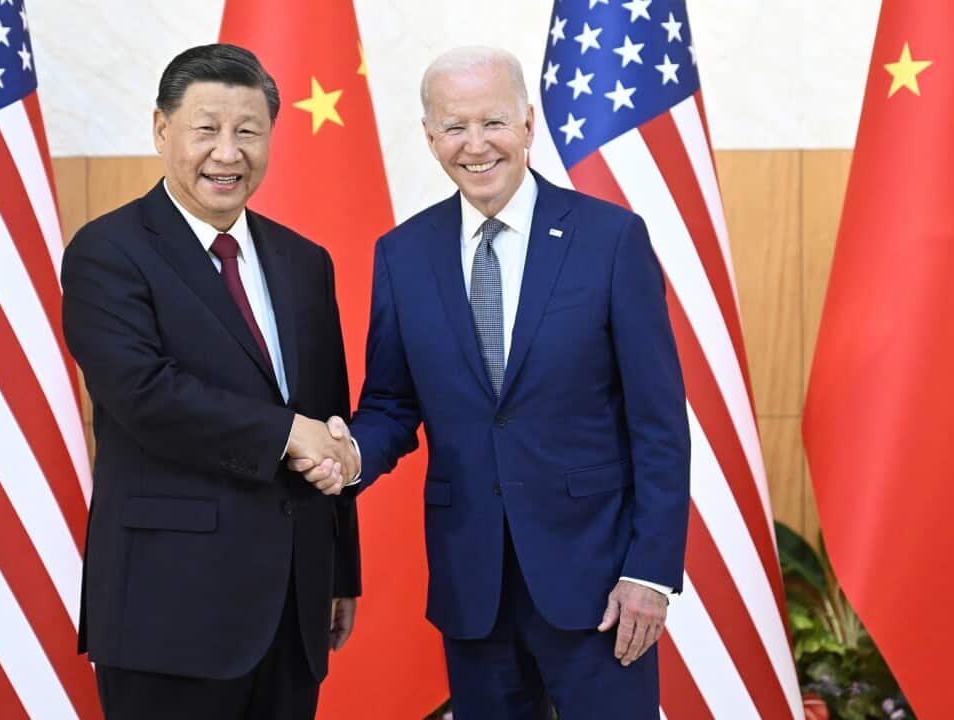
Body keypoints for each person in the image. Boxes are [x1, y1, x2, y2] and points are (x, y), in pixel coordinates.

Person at [296, 46, 690, 719]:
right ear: (430, 137)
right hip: (472, 585)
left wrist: (649, 572)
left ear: (528, 123)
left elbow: (658, 424)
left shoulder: (611, 239)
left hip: (599, 583)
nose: (475, 145)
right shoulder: (403, 254)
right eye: (454, 127)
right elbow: (392, 402)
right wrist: (353, 454)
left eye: (493, 122)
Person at [61, 43, 362, 720]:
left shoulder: (305, 262)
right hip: (168, 611)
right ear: (162, 129)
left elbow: (328, 419)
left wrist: (339, 570)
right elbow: (144, 395)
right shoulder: (107, 252)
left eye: (247, 131)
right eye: (206, 129)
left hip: (293, 604)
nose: (227, 153)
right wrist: (286, 434)